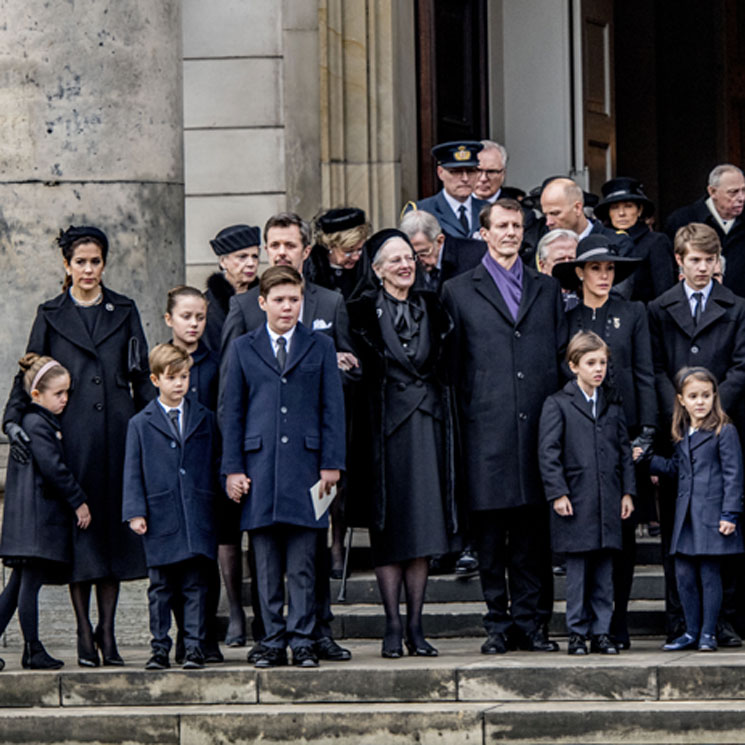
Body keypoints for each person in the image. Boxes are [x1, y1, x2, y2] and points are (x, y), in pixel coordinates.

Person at [3, 225, 153, 667]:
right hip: (74, 440)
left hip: (119, 437)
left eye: (96, 261)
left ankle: (108, 632)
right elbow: (29, 371)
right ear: (66, 266)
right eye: (80, 262)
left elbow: (141, 374)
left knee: (113, 535)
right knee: (83, 537)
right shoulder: (50, 313)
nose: (89, 269)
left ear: (104, 264)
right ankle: (84, 633)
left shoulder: (123, 308)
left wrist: (156, 421)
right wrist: (12, 420)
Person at [219, 211, 355, 664]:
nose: (287, 307)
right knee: (264, 564)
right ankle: (270, 640)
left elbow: (331, 409)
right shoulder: (243, 348)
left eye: (294, 300)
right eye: (278, 300)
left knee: (303, 562)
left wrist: (331, 463)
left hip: (307, 468)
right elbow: (231, 410)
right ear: (262, 302)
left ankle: (302, 639)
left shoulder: (318, 346)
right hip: (257, 469)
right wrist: (233, 467)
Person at [441, 198, 567, 654]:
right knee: (491, 541)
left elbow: (558, 356)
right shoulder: (457, 290)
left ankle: (534, 624)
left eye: (517, 225)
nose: (511, 233)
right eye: (502, 226)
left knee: (533, 539)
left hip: (537, 431)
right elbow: (453, 369)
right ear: (485, 233)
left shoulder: (547, 288)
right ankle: (497, 624)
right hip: (485, 433)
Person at [346, 231, 460, 658]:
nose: (404, 265)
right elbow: (349, 366)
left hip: (428, 427)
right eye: (393, 259)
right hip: (384, 432)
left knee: (424, 529)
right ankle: (392, 624)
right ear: (376, 270)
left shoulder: (433, 305)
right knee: (389, 527)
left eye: (409, 257)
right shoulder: (358, 311)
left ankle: (416, 625)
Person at [553, 234, 656, 649]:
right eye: (595, 268)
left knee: (622, 534)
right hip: (580, 439)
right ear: (580, 272)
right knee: (584, 535)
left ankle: (616, 620)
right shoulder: (569, 317)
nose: (603, 276)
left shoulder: (632, 313)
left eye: (610, 269)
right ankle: (586, 623)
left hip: (624, 436)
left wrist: (646, 431)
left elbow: (645, 373)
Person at [648, 222, 745, 646]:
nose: (703, 268)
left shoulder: (736, 306)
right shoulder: (659, 308)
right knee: (677, 528)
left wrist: (710, 407)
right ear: (678, 261)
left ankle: (721, 620)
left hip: (721, 427)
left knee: (723, 528)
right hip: (677, 429)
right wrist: (681, 407)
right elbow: (651, 367)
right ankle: (680, 619)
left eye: (710, 260)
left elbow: (742, 365)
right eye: (695, 260)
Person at [123, 343, 219, 670]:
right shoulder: (140, 423)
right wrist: (135, 511)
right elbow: (132, 470)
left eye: (185, 376)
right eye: (172, 377)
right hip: (160, 515)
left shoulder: (205, 417)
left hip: (196, 514)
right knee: (161, 587)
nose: (180, 384)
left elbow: (213, 462)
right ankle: (160, 647)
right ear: (155, 380)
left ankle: (194, 647)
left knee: (195, 585)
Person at [539, 331, 635, 655]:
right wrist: (558, 493)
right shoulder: (558, 404)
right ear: (573, 366)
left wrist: (627, 492)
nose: (598, 369)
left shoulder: (612, 405)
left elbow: (624, 453)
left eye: (603, 363)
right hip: (576, 499)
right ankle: (577, 632)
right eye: (591, 363)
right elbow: (548, 452)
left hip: (607, 498)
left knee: (605, 571)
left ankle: (602, 632)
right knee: (578, 570)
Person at [640, 367, 744, 652]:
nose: (701, 402)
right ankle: (691, 631)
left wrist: (730, 514)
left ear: (714, 397)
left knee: (709, 576)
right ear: (681, 400)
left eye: (706, 395)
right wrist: (647, 461)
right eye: (694, 396)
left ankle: (709, 633)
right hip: (686, 517)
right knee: (683, 575)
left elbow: (734, 475)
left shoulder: (724, 430)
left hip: (712, 515)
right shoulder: (683, 433)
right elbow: (677, 469)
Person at [0, 354, 91, 670]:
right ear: (36, 395)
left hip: (27, 522)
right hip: (37, 522)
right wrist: (79, 501)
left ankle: (31, 648)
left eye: (67, 392)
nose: (65, 399)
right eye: (59, 394)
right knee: (28, 586)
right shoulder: (38, 423)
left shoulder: (35, 421)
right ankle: (32, 649)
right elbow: (54, 469)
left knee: (16, 587)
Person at [163, 286, 224, 663]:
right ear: (170, 319)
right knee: (173, 563)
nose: (194, 324)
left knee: (205, 560)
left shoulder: (216, 363)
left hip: (206, 473)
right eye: (186, 317)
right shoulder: (157, 366)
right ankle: (183, 637)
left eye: (200, 317)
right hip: (169, 476)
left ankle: (205, 637)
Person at [665, 164, 745, 298]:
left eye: (743, 190)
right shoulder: (682, 220)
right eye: (733, 192)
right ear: (712, 191)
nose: (741, 198)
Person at [593, 177, 676, 304]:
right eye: (615, 207)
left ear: (640, 210)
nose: (621, 213)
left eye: (628, 206)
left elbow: (664, 292)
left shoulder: (656, 242)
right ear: (608, 212)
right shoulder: (599, 242)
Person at [401, 141, 489, 239]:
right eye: (456, 172)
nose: (465, 178)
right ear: (440, 172)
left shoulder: (488, 209)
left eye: (470, 171)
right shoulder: (422, 210)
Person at [203, 224, 261, 355]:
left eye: (255, 256)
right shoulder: (206, 305)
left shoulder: (266, 299)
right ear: (223, 262)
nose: (251, 263)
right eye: (242, 257)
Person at [399, 211, 485, 295]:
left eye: (423, 253)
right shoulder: (408, 263)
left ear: (440, 241)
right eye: (412, 254)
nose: (418, 260)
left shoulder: (476, 256)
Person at [305, 207, 371, 299]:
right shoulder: (310, 270)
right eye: (349, 251)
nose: (356, 257)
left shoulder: (369, 269)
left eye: (359, 249)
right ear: (330, 246)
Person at [536, 229, 579, 311]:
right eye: (560, 260)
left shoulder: (590, 295)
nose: (567, 264)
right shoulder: (532, 298)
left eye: (572, 259)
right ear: (542, 266)